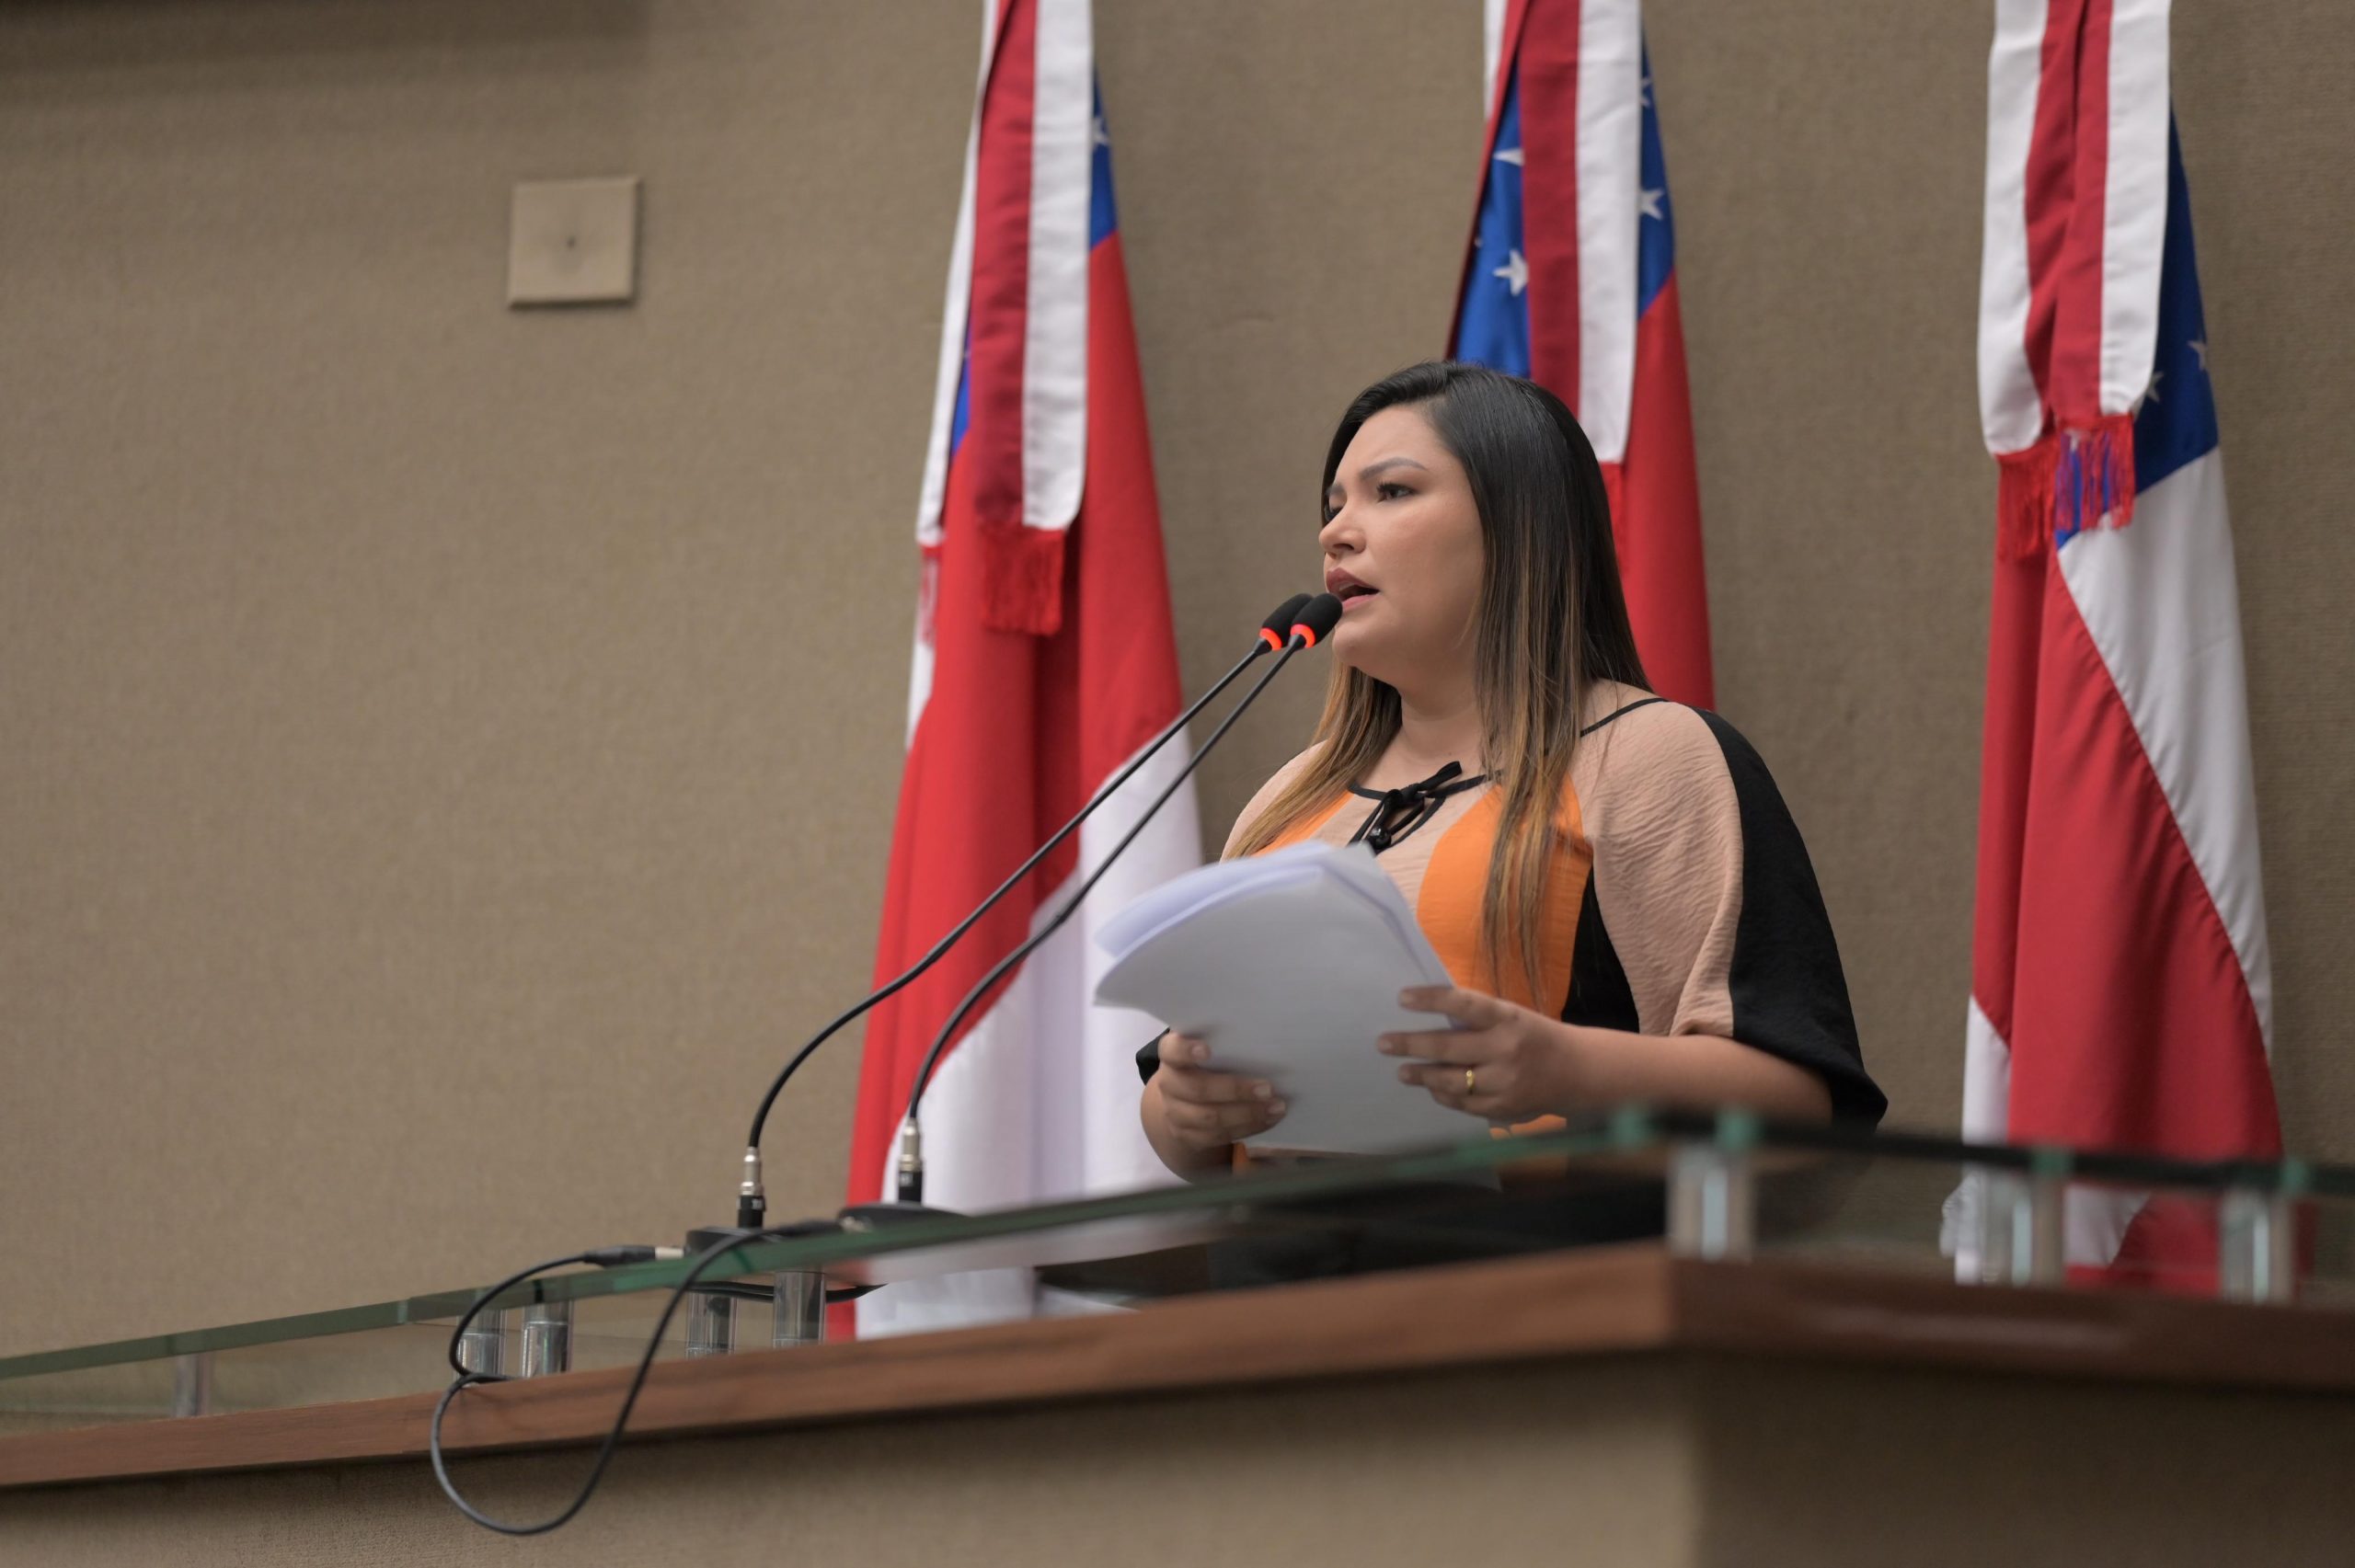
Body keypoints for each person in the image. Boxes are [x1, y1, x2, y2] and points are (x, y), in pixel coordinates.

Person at [1138, 361, 1885, 1181]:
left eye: (1390, 492)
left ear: (1518, 523)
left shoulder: (1646, 757)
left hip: (1538, 1288)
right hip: (1277, 1296)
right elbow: (1195, 1132)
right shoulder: (1290, 799)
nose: (1336, 532)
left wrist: (1565, 1069)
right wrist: (1183, 1109)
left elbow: (1804, 1106)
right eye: (1334, 504)